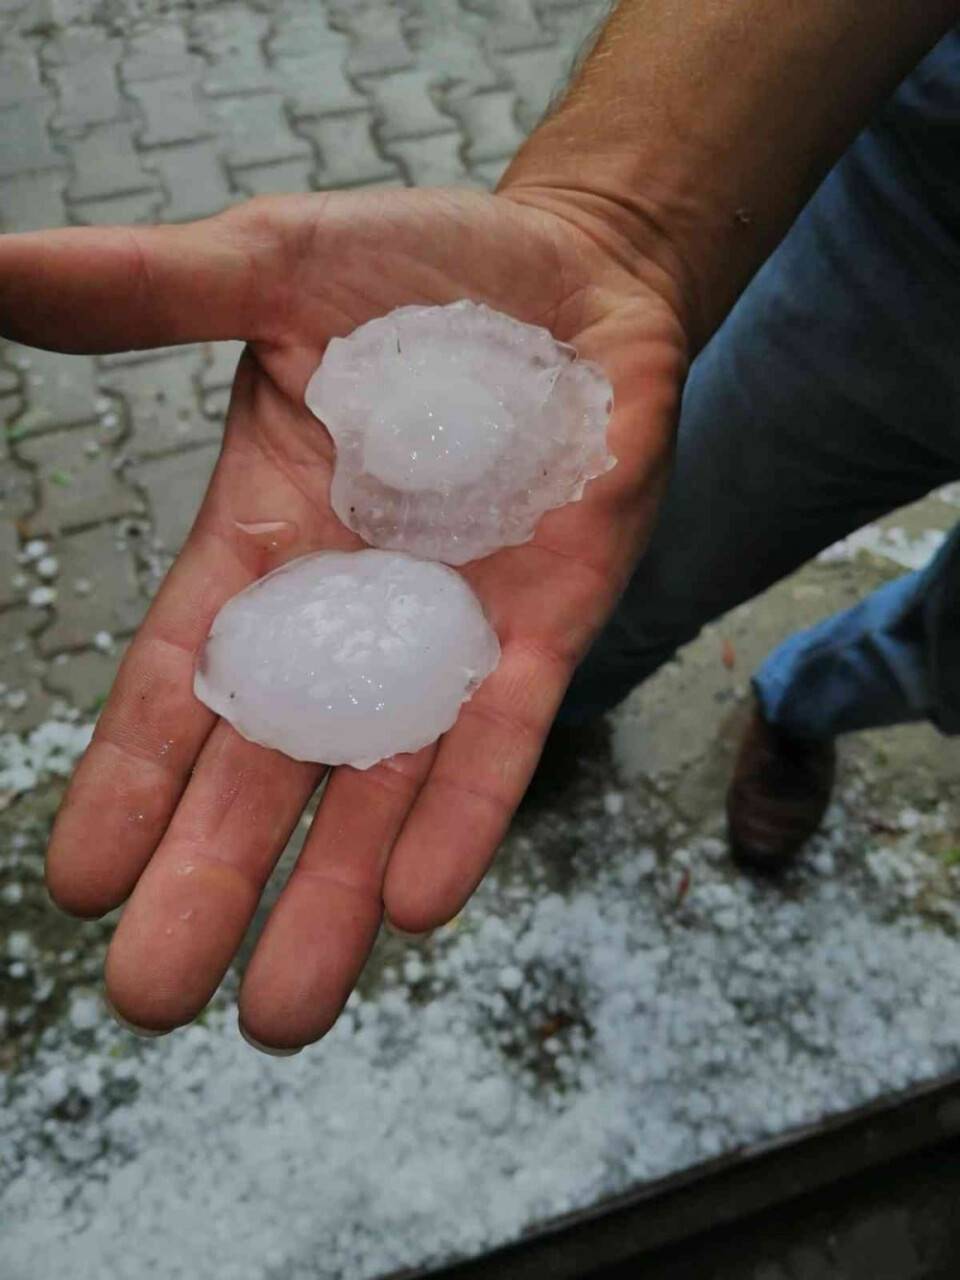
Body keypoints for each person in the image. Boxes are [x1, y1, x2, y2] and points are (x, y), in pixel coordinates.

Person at [1, 0, 957, 1054]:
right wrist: (621, 218)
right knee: (657, 557)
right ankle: (759, 701)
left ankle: (780, 698)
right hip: (928, 246)